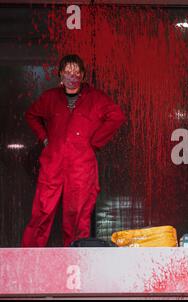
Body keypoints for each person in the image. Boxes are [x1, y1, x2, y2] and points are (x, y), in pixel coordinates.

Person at [22, 54, 126, 247]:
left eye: (76, 71)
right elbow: (32, 115)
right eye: (68, 71)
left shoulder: (96, 98)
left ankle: (76, 258)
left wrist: (95, 142)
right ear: (60, 74)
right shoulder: (50, 97)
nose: (72, 75)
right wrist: (44, 138)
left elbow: (117, 116)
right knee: (42, 211)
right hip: (53, 162)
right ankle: (30, 257)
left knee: (78, 214)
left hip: (81, 165)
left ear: (83, 75)